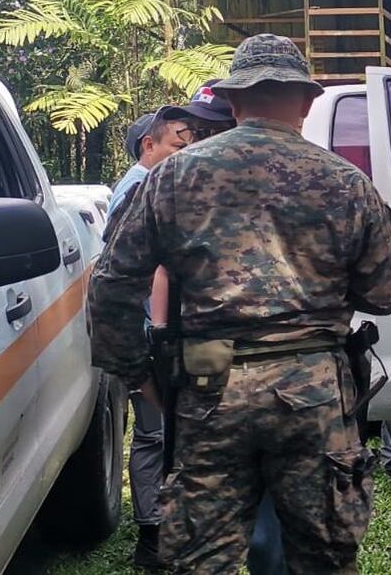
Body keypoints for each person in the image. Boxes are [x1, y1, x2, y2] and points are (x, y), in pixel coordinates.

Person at [89, 34, 391, 574]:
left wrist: (138, 376)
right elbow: (385, 294)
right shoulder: (347, 182)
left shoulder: (174, 175)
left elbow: (112, 283)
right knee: (322, 557)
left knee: (200, 558)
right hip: (314, 384)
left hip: (208, 378)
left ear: (234, 102)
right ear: (306, 103)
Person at [101, 86, 243, 571]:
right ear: (150, 146)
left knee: (168, 439)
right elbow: (135, 275)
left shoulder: (166, 184)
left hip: (180, 340)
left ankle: (163, 533)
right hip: (164, 338)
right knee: (158, 437)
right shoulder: (146, 188)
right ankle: (153, 534)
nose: (193, 152)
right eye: (183, 143)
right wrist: (150, 346)